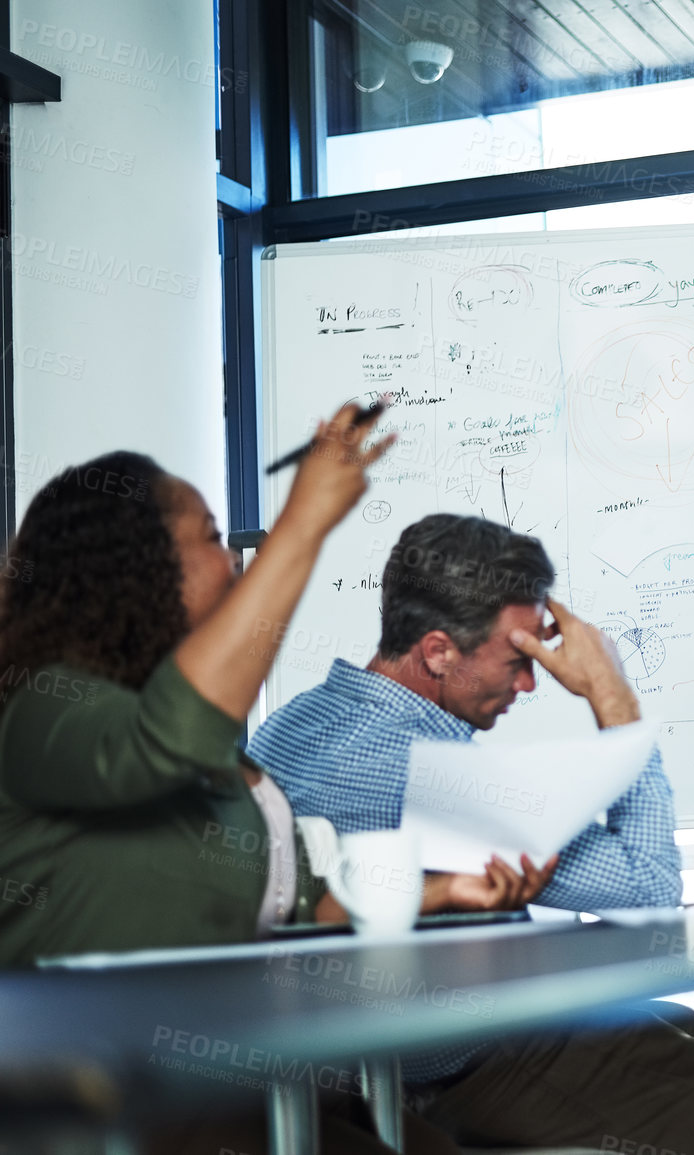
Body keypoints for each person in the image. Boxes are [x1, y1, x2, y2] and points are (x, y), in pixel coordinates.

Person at [248, 511, 694, 1155]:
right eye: (516, 658)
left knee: (681, 1026)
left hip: (360, 1062)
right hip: (473, 1064)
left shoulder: (294, 724)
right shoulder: (431, 775)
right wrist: (612, 695)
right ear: (437, 651)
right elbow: (650, 892)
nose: (530, 683)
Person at [0, 410, 517, 1155]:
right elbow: (166, 738)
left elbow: (297, 902)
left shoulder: (213, 753)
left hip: (243, 1087)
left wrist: (445, 891)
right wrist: (305, 518)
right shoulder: (42, 710)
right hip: (99, 1109)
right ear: (134, 568)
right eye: (212, 536)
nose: (234, 559)